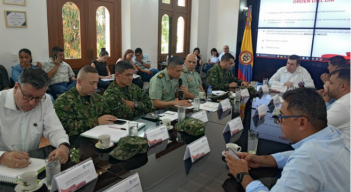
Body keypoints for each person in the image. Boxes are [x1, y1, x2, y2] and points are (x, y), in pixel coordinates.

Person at [225, 88, 351, 192]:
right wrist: (263, 160)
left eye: (282, 116)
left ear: (302, 122)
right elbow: (301, 155)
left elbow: (306, 158)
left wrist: (242, 175)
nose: (279, 121)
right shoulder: (332, 134)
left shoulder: (307, 159)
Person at [0, 68, 70, 168]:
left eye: (38, 98)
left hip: (31, 162)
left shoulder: (45, 100)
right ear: (16, 87)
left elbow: (55, 129)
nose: (32, 103)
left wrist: (63, 145)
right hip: (4, 166)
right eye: (27, 96)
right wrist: (2, 157)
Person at [54, 65, 116, 140]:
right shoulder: (63, 101)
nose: (95, 87)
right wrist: (96, 121)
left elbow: (107, 116)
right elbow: (65, 128)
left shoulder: (98, 98)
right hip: (76, 145)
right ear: (80, 82)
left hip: (101, 139)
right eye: (92, 83)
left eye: (96, 83)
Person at [320, 68, 351, 139]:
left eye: (331, 83)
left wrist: (325, 102)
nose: (327, 86)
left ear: (343, 86)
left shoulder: (343, 105)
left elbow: (315, 127)